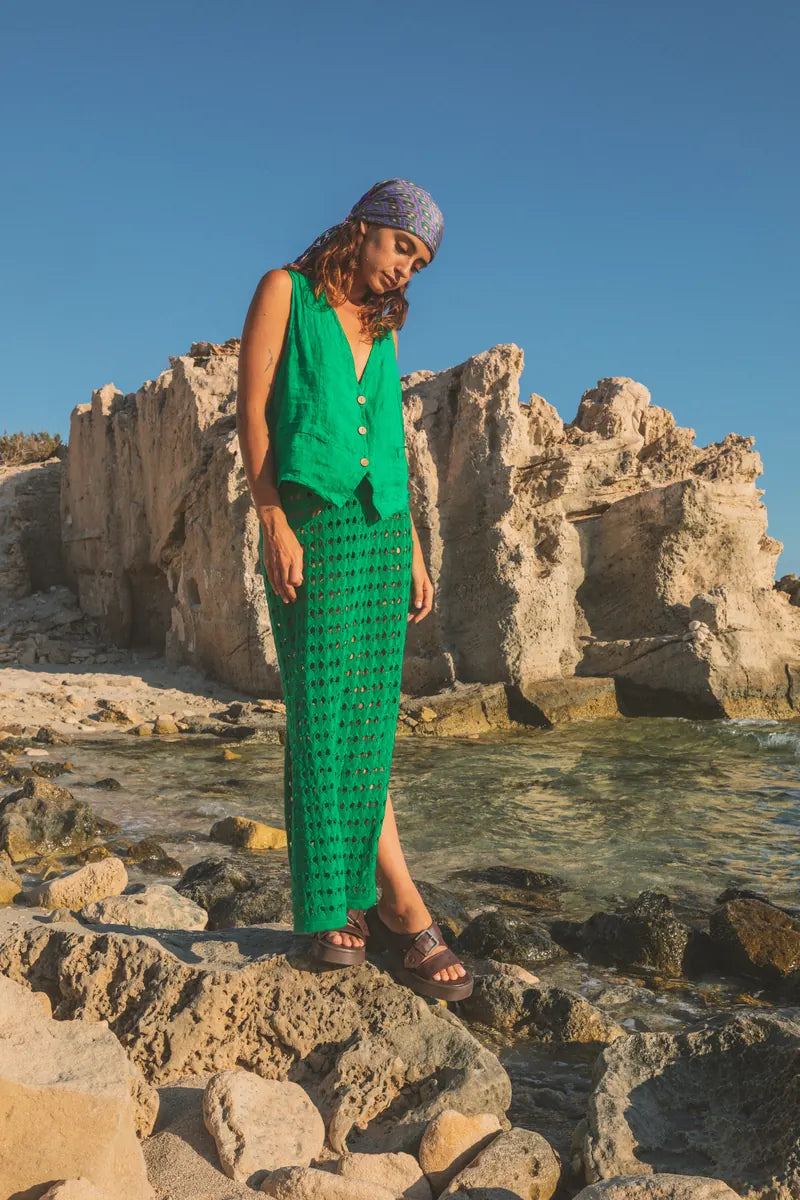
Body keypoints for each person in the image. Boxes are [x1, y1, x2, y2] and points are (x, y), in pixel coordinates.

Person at [236, 179, 473, 1001]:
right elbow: (253, 412)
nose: (406, 269)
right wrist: (273, 518)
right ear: (364, 227)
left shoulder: (381, 326)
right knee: (321, 711)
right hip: (312, 521)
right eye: (403, 247)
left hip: (380, 534)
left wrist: (413, 549)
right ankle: (338, 907)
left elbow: (391, 442)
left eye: (420, 262)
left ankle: (375, 904)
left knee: (369, 721)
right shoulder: (285, 291)